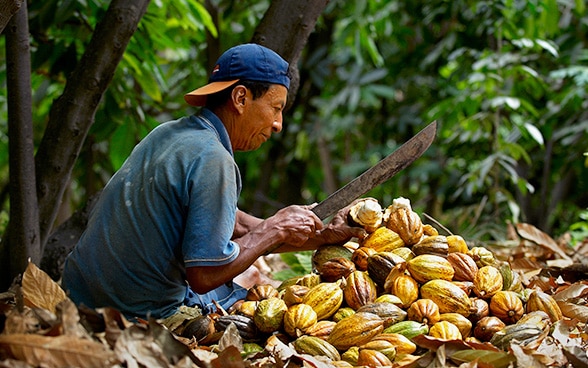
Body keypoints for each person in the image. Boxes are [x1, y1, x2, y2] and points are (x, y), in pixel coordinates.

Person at [61, 43, 366, 320]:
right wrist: (276, 227)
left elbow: (237, 225)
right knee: (261, 301)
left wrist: (322, 235)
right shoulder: (214, 158)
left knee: (252, 279)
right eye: (276, 108)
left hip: (79, 294)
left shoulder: (170, 133)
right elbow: (204, 274)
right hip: (138, 313)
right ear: (241, 98)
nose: (277, 124)